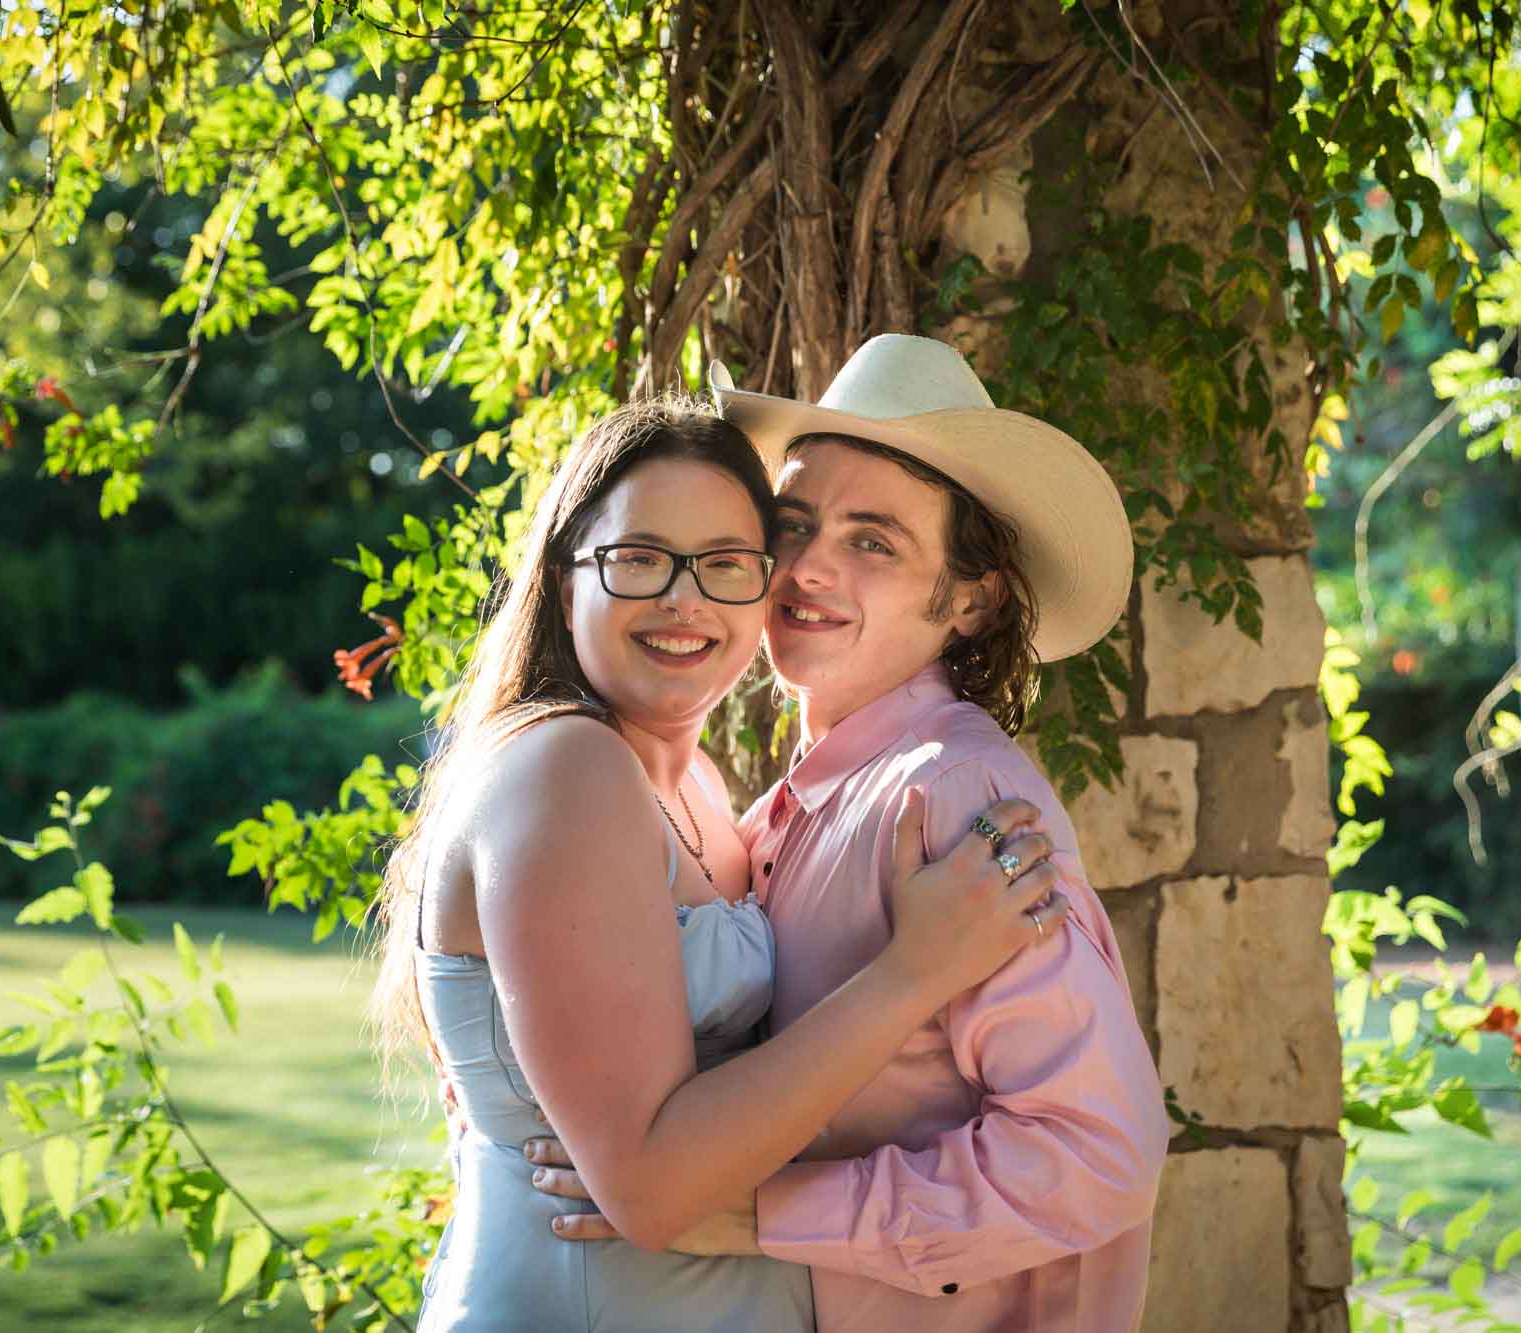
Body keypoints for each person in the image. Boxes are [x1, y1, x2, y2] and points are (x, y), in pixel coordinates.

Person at [372, 395, 1075, 1332]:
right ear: (564, 574)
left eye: (726, 563)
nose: (684, 597)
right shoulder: (566, 767)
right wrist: (915, 972)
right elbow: (654, 1194)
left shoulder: (703, 789)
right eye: (639, 558)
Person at [531, 335, 1170, 1331]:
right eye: (792, 525)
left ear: (969, 598)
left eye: (872, 542)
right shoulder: (779, 806)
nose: (806, 569)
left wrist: (760, 1217)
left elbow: (1093, 1158)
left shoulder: (954, 798)